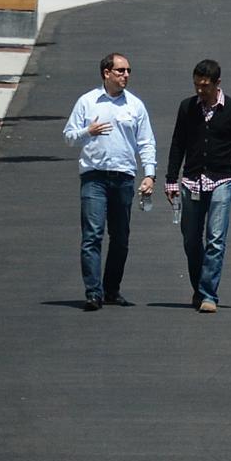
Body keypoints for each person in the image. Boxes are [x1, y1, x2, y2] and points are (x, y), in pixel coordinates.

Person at [61, 52, 156, 311]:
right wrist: (86, 131)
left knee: (121, 237)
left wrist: (149, 174)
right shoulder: (87, 102)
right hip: (94, 176)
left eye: (128, 71)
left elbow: (146, 142)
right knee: (92, 234)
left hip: (123, 177)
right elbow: (69, 136)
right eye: (120, 70)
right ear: (106, 73)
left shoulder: (135, 105)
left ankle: (112, 289)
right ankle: (94, 292)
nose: (126, 75)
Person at [163, 58, 231, 313]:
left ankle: (208, 294)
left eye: (205, 86)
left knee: (215, 239)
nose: (200, 91)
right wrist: (171, 178)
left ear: (217, 84)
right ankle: (199, 286)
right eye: (196, 85)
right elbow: (177, 143)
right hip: (191, 180)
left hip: (221, 181)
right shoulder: (187, 108)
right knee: (191, 238)